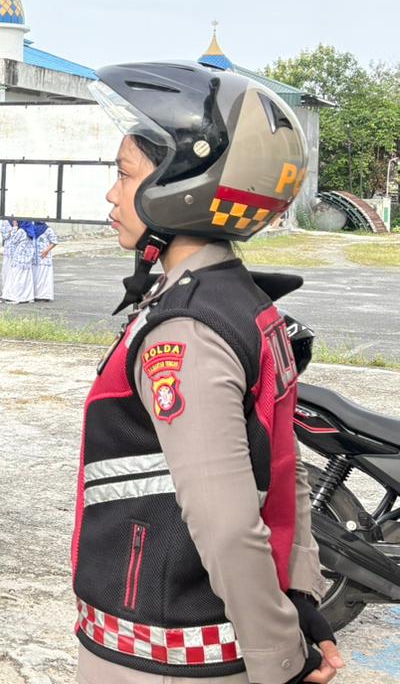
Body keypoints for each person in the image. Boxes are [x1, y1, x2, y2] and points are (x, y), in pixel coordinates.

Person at [72, 61, 344, 684]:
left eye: (123, 174)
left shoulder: (187, 332)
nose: (112, 195)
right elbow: (282, 467)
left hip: (162, 648)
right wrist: (300, 599)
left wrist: (280, 658)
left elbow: (225, 526)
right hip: (183, 632)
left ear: (182, 186)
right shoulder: (243, 303)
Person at [0, 218, 35, 304]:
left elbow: (13, 240)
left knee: (16, 278)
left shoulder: (21, 231)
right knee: (26, 278)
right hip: (26, 258)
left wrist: (15, 227)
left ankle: (15, 297)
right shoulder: (30, 232)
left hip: (18, 258)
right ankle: (28, 297)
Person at [30, 220, 59, 301]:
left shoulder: (47, 229)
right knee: (35, 276)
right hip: (34, 258)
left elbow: (54, 241)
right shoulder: (31, 229)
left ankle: (45, 296)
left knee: (44, 277)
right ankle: (36, 295)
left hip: (44, 258)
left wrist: (46, 250)